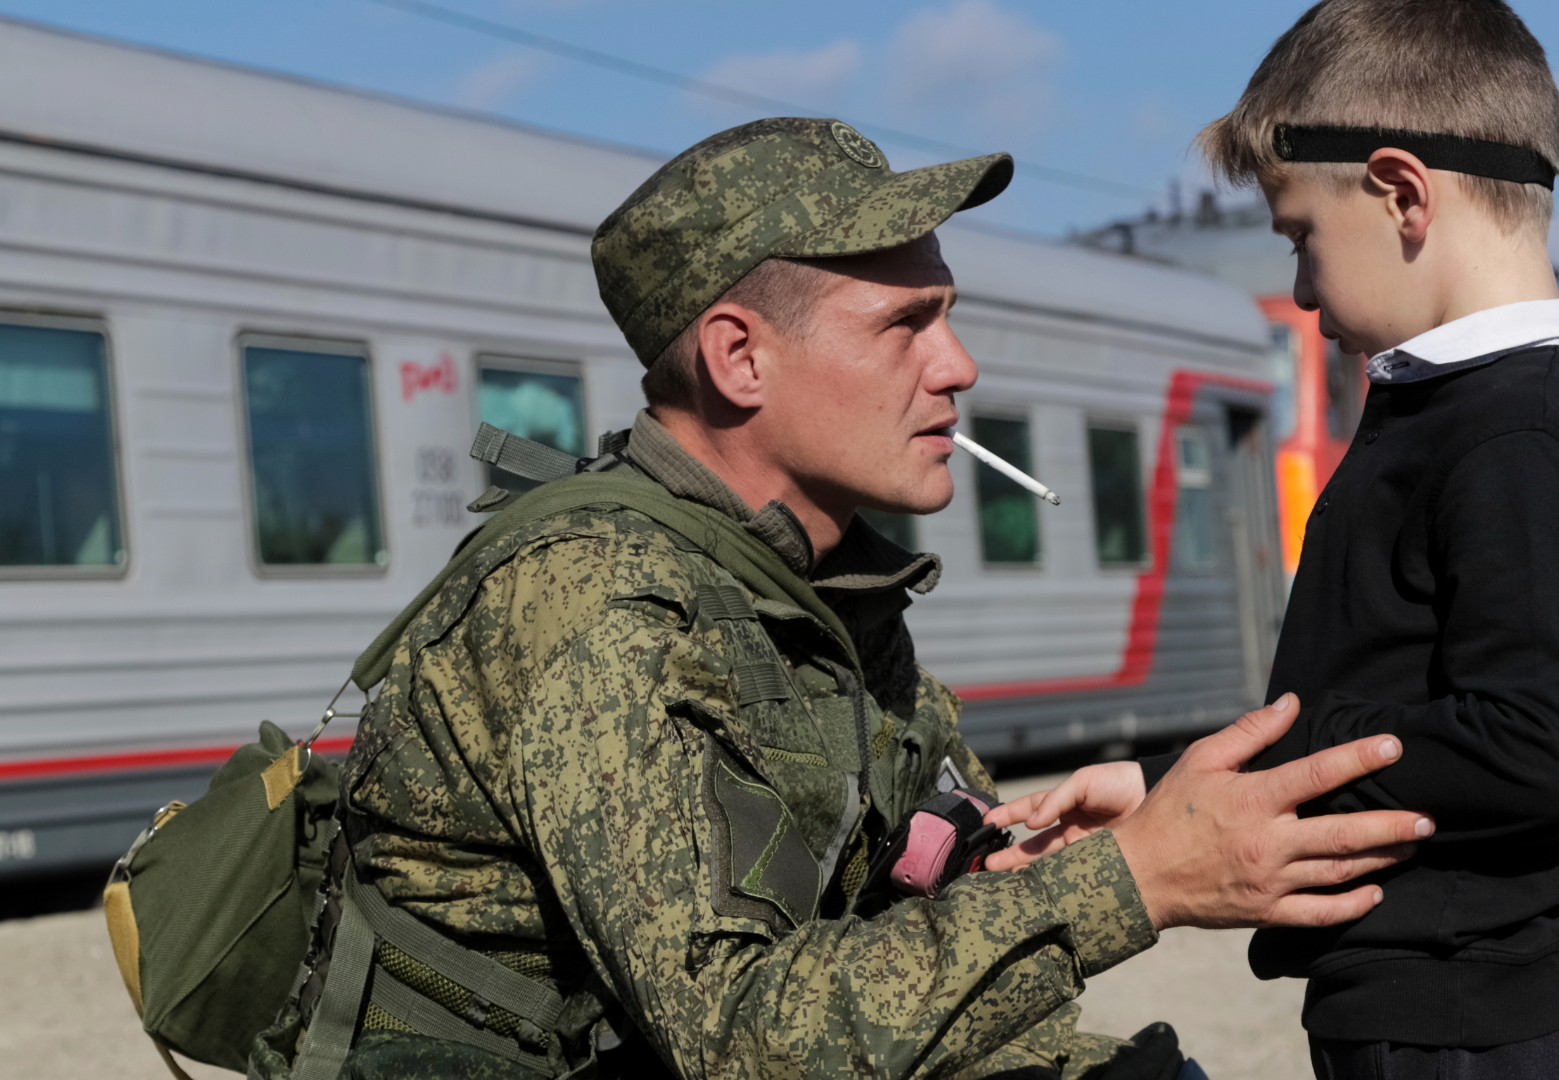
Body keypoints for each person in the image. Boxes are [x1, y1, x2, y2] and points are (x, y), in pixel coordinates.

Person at [297, 118, 1435, 1080]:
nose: (958, 365)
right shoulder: (595, 609)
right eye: (905, 325)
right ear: (741, 360)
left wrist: (997, 860)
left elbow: (900, 847)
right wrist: (1132, 879)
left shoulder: (802, 579)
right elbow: (737, 1032)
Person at [987, 3, 1559, 1077]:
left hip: (1449, 1016)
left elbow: (1536, 747)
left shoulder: (1507, 429)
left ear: (1399, 193)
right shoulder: (1465, 413)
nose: (1298, 290)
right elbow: (1408, 697)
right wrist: (1167, 782)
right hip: (1428, 1000)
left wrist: (1263, 770)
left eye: (1300, 235)